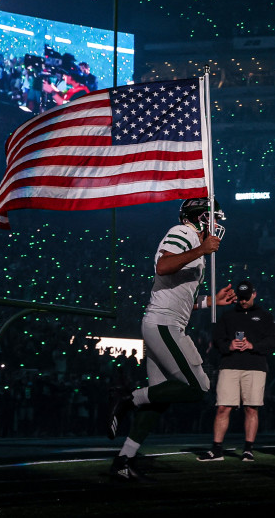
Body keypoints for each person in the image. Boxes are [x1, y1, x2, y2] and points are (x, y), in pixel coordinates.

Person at [105, 197, 235, 481]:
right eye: (213, 218)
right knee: (198, 386)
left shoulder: (193, 243)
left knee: (159, 399)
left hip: (166, 322)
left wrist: (212, 301)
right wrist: (201, 248)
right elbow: (163, 266)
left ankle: (123, 459)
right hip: (164, 324)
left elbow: (181, 296)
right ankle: (127, 398)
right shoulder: (183, 233)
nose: (217, 225)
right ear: (200, 217)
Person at [199, 280, 275, 462]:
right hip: (230, 365)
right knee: (223, 407)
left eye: (246, 297)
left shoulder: (265, 316)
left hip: (255, 366)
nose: (243, 301)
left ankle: (248, 449)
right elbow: (217, 340)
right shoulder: (227, 316)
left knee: (251, 408)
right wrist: (230, 345)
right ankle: (217, 449)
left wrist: (253, 345)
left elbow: (273, 340)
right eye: (241, 298)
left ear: (254, 294)